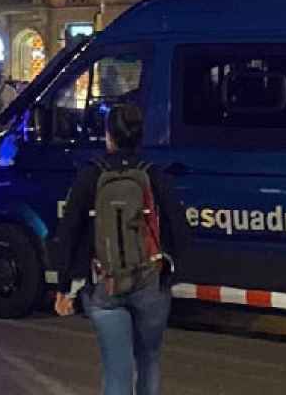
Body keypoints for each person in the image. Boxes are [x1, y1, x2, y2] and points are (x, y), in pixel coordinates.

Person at [51, 103, 189, 395]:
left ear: (108, 135)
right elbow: (179, 227)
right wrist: (170, 271)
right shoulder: (153, 174)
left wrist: (65, 286)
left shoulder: (91, 174)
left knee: (118, 369)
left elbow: (68, 230)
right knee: (149, 359)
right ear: (140, 136)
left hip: (105, 284)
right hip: (150, 281)